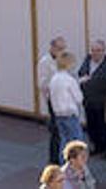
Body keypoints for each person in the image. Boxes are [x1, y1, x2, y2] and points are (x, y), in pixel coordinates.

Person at [78, 39, 106, 158]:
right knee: (91, 126)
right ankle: (97, 146)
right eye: (93, 50)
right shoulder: (87, 59)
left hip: (102, 101)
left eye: (98, 50)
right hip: (88, 100)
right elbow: (81, 72)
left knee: (104, 126)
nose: (95, 53)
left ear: (104, 51)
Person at [48, 52, 87, 158]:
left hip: (58, 115)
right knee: (77, 143)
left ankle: (63, 167)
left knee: (64, 142)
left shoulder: (54, 78)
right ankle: (77, 168)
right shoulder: (69, 80)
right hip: (70, 115)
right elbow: (79, 99)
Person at [37, 36, 68, 164]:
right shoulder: (45, 62)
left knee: (64, 129)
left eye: (63, 48)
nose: (61, 51)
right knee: (56, 131)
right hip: (54, 100)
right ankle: (54, 159)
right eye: (59, 48)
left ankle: (63, 156)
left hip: (64, 99)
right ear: (52, 47)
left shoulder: (63, 60)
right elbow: (42, 83)